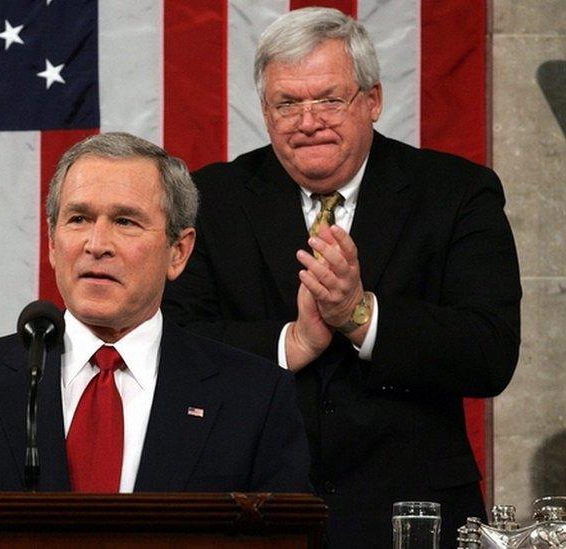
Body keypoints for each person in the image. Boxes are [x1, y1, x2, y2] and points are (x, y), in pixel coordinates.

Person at [162, 7, 521, 548]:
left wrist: (361, 316)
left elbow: (489, 352)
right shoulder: (212, 200)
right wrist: (293, 341)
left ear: (372, 100)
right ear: (265, 111)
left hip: (412, 513)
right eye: (288, 103)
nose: (309, 121)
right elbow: (174, 342)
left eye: (329, 99)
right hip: (253, 508)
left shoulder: (456, 193)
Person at [0, 132, 311, 494]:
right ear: (52, 243)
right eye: (79, 219)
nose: (96, 244)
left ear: (178, 252)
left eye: (125, 222)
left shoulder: (254, 397)